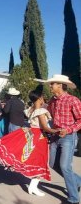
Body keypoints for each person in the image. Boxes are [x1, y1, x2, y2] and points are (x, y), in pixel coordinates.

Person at [0, 88, 58, 196]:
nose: (44, 99)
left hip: (31, 134)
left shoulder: (31, 109)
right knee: (40, 161)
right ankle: (33, 187)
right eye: (43, 97)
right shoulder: (41, 111)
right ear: (40, 98)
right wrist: (56, 131)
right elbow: (45, 127)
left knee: (32, 159)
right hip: (38, 136)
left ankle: (33, 186)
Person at [46, 74, 81, 204]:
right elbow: (49, 114)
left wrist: (68, 130)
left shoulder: (73, 100)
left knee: (65, 166)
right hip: (55, 136)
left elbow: (80, 120)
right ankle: (77, 181)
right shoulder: (52, 101)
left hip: (68, 137)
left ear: (60, 85)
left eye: (52, 84)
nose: (50, 86)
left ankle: (73, 199)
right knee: (52, 164)